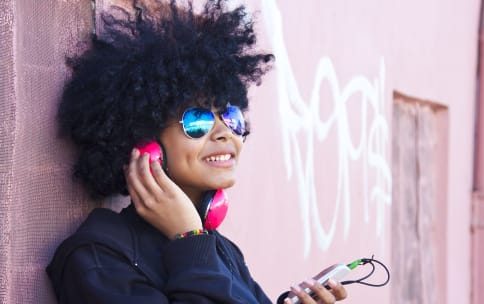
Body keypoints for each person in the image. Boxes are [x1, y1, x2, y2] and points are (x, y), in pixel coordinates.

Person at [46, 0, 348, 303]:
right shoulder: (98, 256)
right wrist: (189, 240)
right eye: (197, 119)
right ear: (143, 141)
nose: (224, 132)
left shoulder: (222, 252)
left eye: (231, 116)